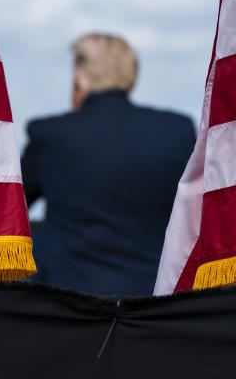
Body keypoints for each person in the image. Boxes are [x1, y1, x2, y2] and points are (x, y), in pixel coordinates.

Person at [21, 33, 196, 296]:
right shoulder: (178, 131)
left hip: (69, 306)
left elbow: (11, 210)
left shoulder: (51, 135)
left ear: (79, 75)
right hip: (155, 304)